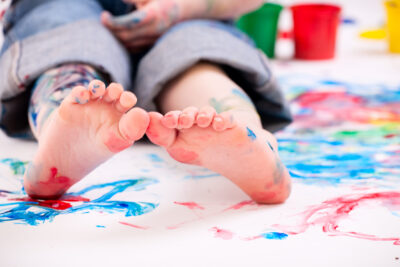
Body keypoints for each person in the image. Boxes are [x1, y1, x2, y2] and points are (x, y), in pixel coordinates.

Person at [0, 0, 292, 204]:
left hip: (191, 12)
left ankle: (247, 137)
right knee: (70, 43)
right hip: (74, 8)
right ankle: (60, 132)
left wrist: (183, 7)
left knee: (195, 51)